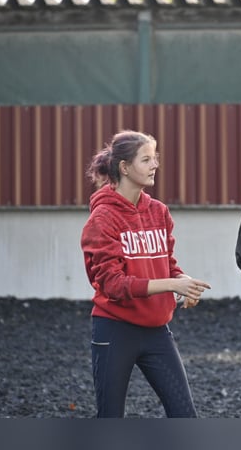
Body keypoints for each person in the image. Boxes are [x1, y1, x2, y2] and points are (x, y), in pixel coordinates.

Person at [81, 129, 210, 418]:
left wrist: (182, 281)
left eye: (156, 158)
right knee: (111, 419)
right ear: (124, 167)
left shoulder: (159, 211)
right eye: (146, 159)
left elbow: (167, 264)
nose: (155, 165)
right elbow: (112, 284)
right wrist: (169, 284)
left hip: (156, 333)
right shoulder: (102, 219)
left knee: (185, 416)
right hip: (114, 330)